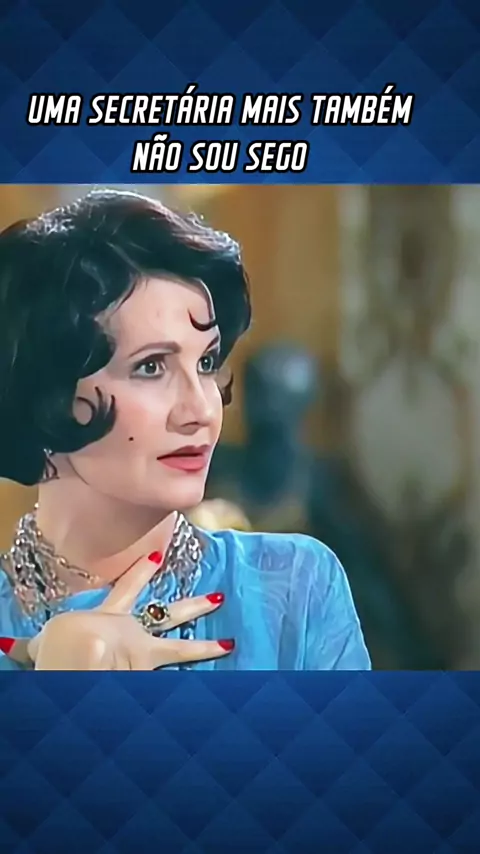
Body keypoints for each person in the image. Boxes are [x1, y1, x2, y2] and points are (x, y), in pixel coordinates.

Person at [0, 188, 370, 671]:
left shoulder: (293, 587)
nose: (201, 409)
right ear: (46, 391)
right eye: (151, 366)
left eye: (207, 362)